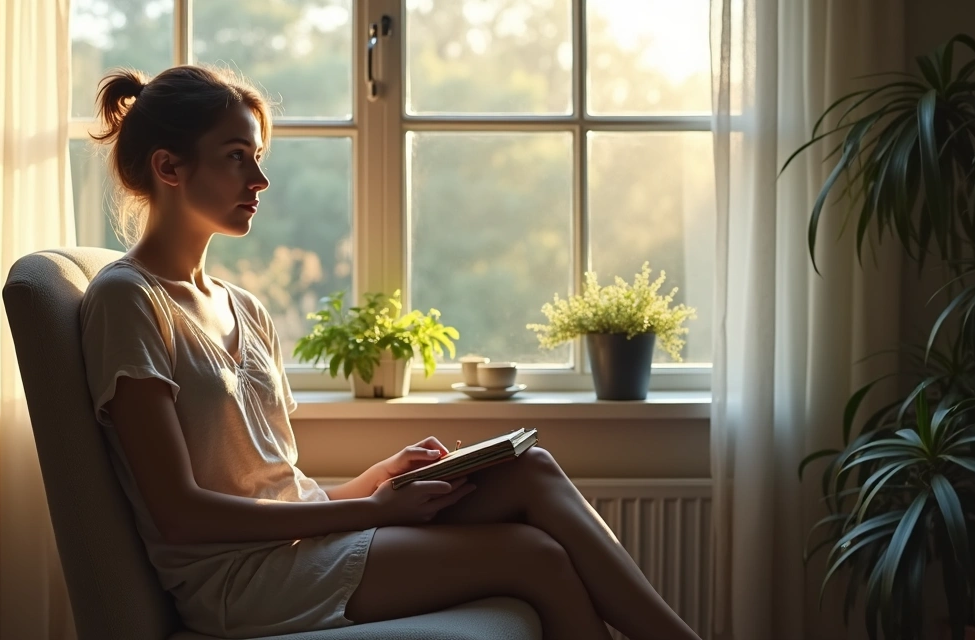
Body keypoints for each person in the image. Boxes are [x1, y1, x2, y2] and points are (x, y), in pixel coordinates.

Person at [79, 64, 703, 640]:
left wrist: (378, 482)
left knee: (530, 468)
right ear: (169, 167)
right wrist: (369, 514)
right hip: (242, 582)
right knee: (535, 557)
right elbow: (180, 514)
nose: (260, 180)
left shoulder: (245, 307)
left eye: (258, 157)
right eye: (236, 157)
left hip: (300, 543)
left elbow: (277, 491)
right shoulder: (128, 300)